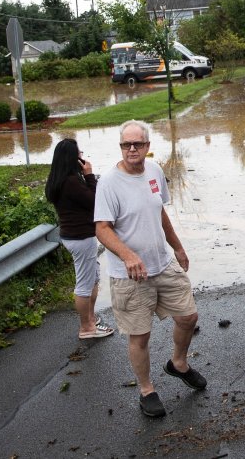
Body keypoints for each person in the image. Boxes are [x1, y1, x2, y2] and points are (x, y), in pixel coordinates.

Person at [94, 120, 204, 418]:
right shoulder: (108, 182)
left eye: (137, 144)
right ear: (121, 147)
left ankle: (178, 363)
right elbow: (102, 229)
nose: (131, 149)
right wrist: (128, 255)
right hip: (130, 276)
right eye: (126, 144)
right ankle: (146, 390)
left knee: (188, 316)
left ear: (147, 146)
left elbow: (160, 212)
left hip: (162, 264)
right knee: (139, 335)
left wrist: (178, 247)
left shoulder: (154, 171)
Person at [45, 138, 113, 340]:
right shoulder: (71, 182)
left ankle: (91, 318)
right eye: (79, 154)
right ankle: (87, 328)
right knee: (84, 284)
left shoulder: (58, 179)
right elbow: (95, 201)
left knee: (93, 278)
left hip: (75, 235)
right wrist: (90, 175)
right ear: (72, 158)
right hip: (81, 238)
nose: (82, 157)